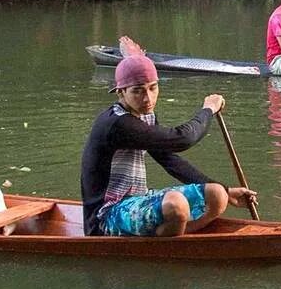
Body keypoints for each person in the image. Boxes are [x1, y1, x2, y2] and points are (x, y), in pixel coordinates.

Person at [81, 50, 257, 236]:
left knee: (217, 194)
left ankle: (177, 233)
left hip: (139, 199)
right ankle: (172, 240)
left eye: (152, 88)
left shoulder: (145, 116)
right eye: (137, 91)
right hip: (107, 215)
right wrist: (208, 110)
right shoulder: (117, 123)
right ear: (121, 93)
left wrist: (227, 190)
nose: (148, 98)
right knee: (176, 205)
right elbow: (183, 139)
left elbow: (168, 159)